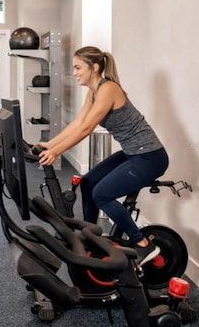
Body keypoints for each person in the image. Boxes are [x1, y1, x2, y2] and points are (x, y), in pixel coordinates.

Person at [35, 46, 168, 267]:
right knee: (88, 183)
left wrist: (56, 152)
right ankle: (91, 237)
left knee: (102, 195)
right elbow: (78, 122)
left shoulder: (109, 89)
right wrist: (50, 143)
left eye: (78, 67)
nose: (75, 72)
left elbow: (86, 128)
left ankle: (144, 244)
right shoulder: (94, 91)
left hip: (150, 157)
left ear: (94, 67)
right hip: (132, 154)